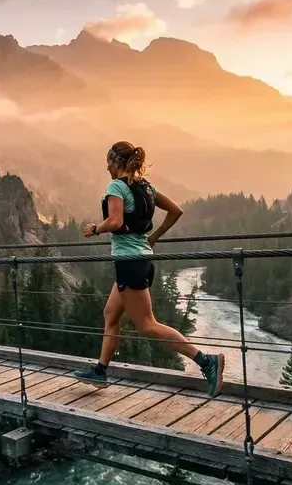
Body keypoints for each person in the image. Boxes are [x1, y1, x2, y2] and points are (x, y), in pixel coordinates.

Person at [72, 141, 225, 397]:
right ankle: (100, 371)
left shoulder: (116, 186)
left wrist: (95, 229)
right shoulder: (146, 187)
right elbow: (176, 211)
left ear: (116, 161)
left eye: (108, 161)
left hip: (130, 263)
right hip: (139, 261)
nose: (106, 166)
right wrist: (153, 238)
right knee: (111, 313)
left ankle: (206, 361)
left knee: (147, 325)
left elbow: (116, 221)